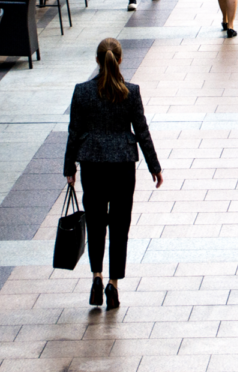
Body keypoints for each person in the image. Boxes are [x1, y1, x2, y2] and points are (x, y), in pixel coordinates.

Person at [64, 37, 163, 311]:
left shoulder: (82, 92)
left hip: (92, 165)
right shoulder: (130, 91)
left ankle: (95, 276)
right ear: (120, 60)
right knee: (119, 228)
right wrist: (154, 166)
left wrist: (69, 167)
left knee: (96, 224)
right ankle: (113, 284)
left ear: (97, 60)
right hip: (122, 166)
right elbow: (142, 132)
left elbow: (74, 133)